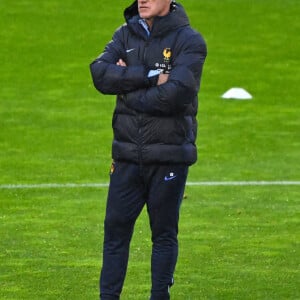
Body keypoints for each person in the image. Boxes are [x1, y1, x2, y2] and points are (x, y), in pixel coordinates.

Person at [90, 0, 207, 299]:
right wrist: (149, 77)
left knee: (164, 235)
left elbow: (178, 93)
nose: (142, 0)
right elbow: (100, 74)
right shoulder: (124, 34)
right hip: (126, 156)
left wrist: (128, 92)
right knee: (114, 233)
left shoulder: (189, 41)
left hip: (168, 157)